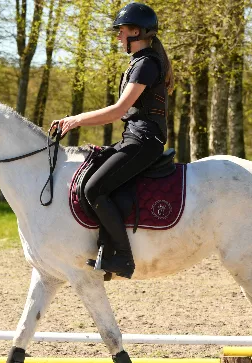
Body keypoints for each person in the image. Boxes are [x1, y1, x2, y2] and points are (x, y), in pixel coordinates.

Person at [52, 2, 174, 279]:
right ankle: (105, 249)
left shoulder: (146, 64)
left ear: (137, 32)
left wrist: (76, 119)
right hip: (135, 138)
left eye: (121, 31)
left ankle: (123, 257)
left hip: (144, 141)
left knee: (93, 189)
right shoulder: (139, 63)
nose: (118, 36)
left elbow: (119, 110)